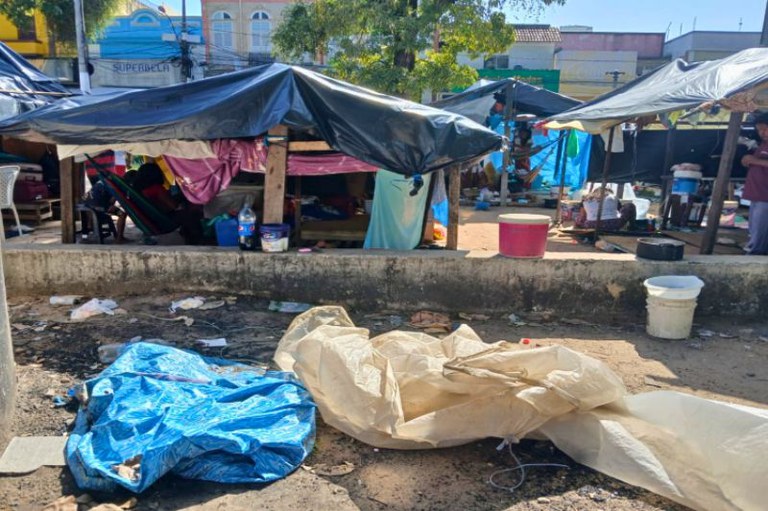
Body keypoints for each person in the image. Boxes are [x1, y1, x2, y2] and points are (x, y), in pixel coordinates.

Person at [740, 113, 768, 255]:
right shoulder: (763, 144)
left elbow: (759, 161)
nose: (762, 133)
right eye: (759, 130)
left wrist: (755, 161)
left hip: (765, 195)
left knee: (761, 227)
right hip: (756, 193)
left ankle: (755, 253)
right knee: (755, 226)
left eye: (765, 129)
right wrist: (747, 160)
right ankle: (755, 249)